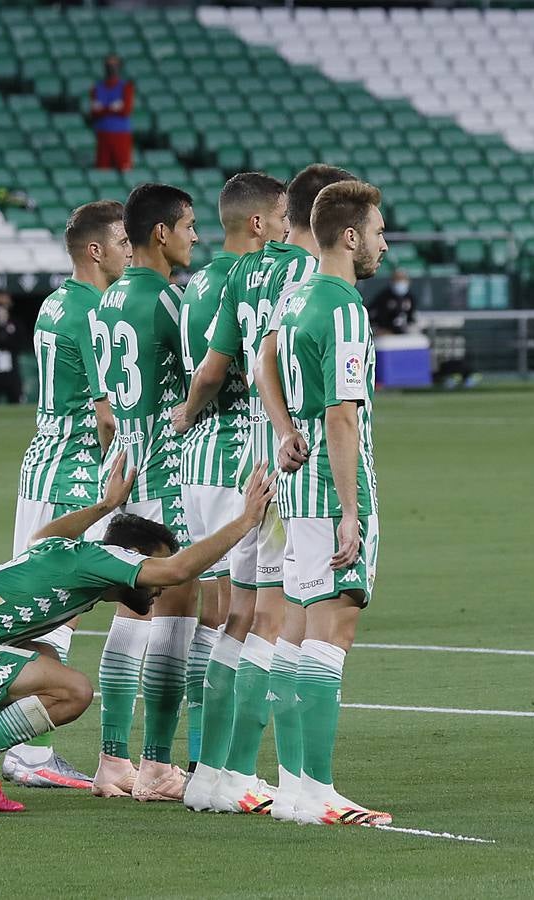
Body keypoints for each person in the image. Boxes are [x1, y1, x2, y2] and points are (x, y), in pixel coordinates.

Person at [0, 452, 278, 819]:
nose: (157, 590)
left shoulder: (62, 551)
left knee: (44, 657)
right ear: (131, 556)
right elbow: (177, 571)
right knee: (74, 691)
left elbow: (41, 534)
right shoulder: (103, 560)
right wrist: (245, 520)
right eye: (148, 567)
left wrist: (106, 506)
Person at [184, 164, 355, 818]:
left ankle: (214, 774)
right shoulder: (311, 278)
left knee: (237, 618)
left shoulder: (243, 271)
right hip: (281, 463)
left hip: (228, 455)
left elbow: (219, 364)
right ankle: (284, 781)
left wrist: (187, 415)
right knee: (278, 622)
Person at [262, 180, 390, 827]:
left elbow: (263, 361)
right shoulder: (340, 306)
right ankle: (317, 791)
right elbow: (341, 416)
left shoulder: (298, 292)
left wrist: (284, 430)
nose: (382, 244)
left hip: (295, 487)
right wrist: (350, 508)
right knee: (331, 634)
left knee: (294, 634)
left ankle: (291, 787)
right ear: (349, 236)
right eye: (377, 231)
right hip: (331, 489)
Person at [0, 199, 129, 789]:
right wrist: (118, 469)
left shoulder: (53, 303)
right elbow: (104, 416)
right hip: (74, 472)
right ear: (96, 250)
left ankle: (20, 745)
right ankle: (24, 752)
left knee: (39, 612)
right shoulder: (94, 310)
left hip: (41, 462)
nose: (130, 251)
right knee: (55, 615)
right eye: (123, 242)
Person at [171, 172, 288, 778]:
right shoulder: (240, 280)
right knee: (230, 614)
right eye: (285, 216)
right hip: (232, 451)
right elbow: (222, 370)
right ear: (261, 222)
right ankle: (206, 759)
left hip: (197, 457)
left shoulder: (198, 282)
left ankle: (196, 757)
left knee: (213, 614)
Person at [92, 182, 197, 801]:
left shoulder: (104, 304)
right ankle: (157, 765)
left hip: (124, 469)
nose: (193, 236)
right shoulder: (169, 302)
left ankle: (112, 762)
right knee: (178, 613)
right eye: (187, 226)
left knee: (131, 615)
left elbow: (107, 408)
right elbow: (198, 387)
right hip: (168, 471)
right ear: (161, 232)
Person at [90, 55, 134, 171]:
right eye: (109, 65)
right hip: (103, 134)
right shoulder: (97, 88)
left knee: (124, 167)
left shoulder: (126, 87)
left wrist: (104, 108)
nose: (111, 68)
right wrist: (113, 108)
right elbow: (95, 113)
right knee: (102, 169)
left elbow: (125, 111)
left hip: (121, 134)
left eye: (114, 65)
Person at [368, 268, 416, 335]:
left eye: (403, 279)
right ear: (392, 281)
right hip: (385, 333)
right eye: (398, 279)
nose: (400, 282)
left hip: (404, 332)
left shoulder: (410, 297)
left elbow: (411, 317)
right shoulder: (384, 296)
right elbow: (372, 312)